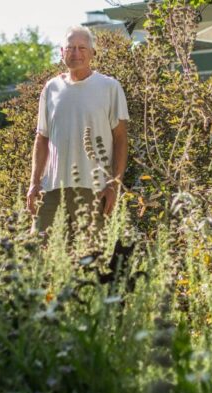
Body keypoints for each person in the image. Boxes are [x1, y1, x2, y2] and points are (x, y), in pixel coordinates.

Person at [26, 26, 129, 236]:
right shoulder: (51, 88)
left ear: (92, 53)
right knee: (37, 253)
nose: (76, 53)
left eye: (82, 48)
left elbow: (120, 139)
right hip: (52, 188)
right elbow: (42, 138)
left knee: (90, 260)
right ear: (61, 52)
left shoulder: (109, 87)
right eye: (70, 48)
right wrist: (34, 183)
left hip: (95, 189)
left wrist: (113, 185)